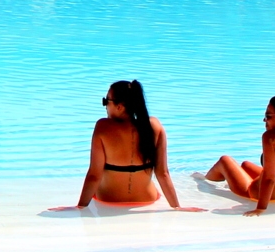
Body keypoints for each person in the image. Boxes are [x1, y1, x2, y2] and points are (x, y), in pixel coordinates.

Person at [71, 80, 192, 209]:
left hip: (108, 200)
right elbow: (163, 174)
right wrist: (177, 207)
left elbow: (94, 176)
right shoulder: (154, 126)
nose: (105, 106)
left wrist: (80, 207)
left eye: (106, 101)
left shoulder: (103, 128)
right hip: (147, 200)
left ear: (119, 106)